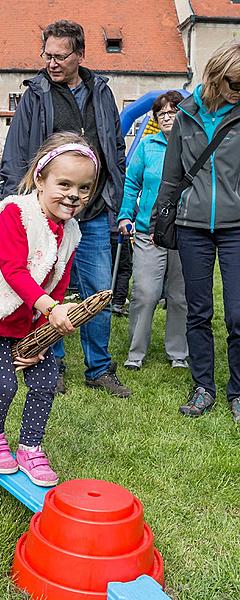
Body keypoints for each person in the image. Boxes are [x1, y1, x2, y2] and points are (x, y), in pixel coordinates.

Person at [0, 133, 98, 486]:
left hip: (28, 317)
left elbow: (58, 281)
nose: (74, 195)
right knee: (3, 385)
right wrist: (50, 310)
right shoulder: (14, 213)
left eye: (84, 187)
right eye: (64, 184)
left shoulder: (71, 230)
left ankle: (30, 447)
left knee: (46, 380)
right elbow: (14, 271)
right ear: (40, 179)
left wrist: (43, 336)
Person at [0, 20, 130, 397]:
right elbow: (16, 155)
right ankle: (51, 362)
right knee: (49, 291)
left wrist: (114, 194)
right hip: (47, 214)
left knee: (99, 291)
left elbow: (114, 147)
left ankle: (100, 368)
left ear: (80, 55)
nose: (52, 63)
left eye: (60, 56)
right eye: (47, 55)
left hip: (91, 214)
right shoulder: (35, 95)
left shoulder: (100, 91)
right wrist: (18, 206)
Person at [153, 43, 240, 422]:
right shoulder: (185, 115)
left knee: (238, 315)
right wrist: (162, 216)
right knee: (197, 310)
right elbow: (172, 173)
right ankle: (204, 386)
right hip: (191, 228)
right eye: (235, 83)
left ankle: (238, 392)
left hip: (236, 227)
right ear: (217, 76)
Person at [118, 91, 188, 370]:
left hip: (184, 230)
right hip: (149, 231)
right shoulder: (147, 146)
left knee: (180, 296)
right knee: (145, 293)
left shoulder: (192, 146)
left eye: (173, 113)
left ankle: (178, 353)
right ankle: (136, 354)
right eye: (162, 114)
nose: (167, 118)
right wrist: (125, 215)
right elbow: (131, 183)